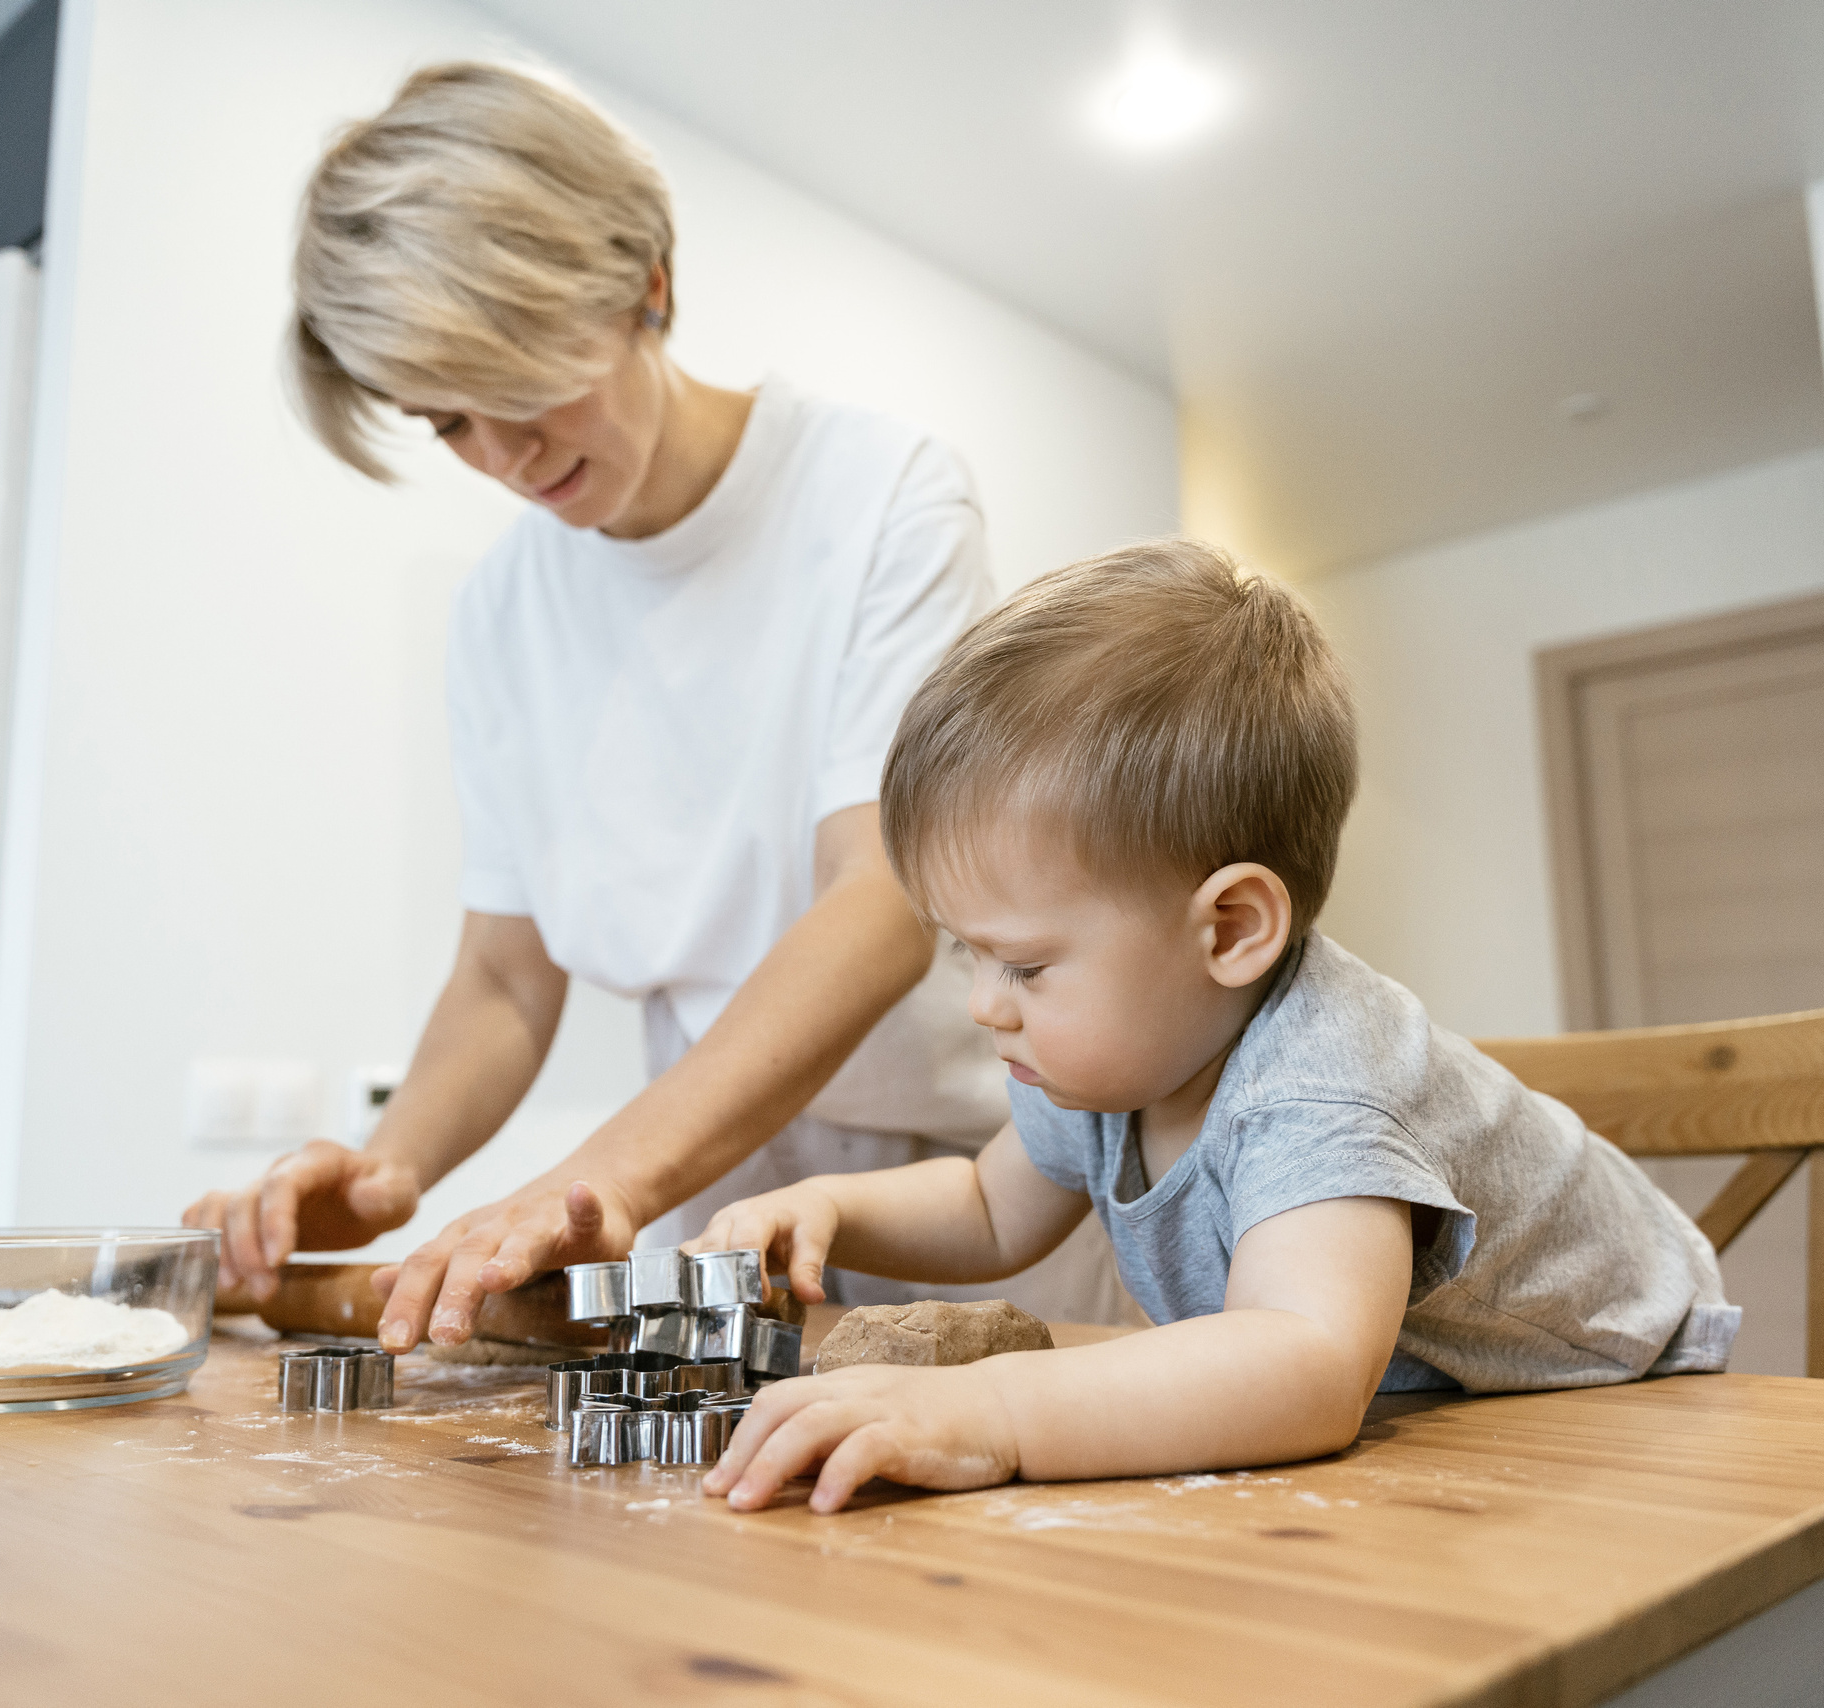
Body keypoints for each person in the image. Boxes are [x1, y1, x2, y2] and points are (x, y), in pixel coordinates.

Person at [182, 62, 1134, 1349]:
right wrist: (390, 1168)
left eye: (524, 381)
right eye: (449, 419)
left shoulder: (880, 496)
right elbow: (506, 978)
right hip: (715, 1193)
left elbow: (879, 897)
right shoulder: (503, 612)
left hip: (973, 1194)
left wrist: (609, 1177)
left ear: (648, 287)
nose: (504, 457)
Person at [686, 539, 1740, 1514]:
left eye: (1026, 962)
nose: (982, 1001)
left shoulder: (1319, 1084)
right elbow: (987, 1206)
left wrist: (994, 1411)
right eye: (968, 952)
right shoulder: (1112, 1057)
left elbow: (1303, 1363)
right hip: (1435, 1403)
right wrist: (825, 1204)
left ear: (1230, 929)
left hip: (1624, 1396)